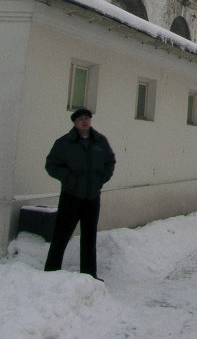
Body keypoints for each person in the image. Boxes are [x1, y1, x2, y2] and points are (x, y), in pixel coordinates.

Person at [44, 108, 116, 279]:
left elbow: (110, 161)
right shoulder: (64, 143)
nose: (84, 121)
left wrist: (101, 179)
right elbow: (52, 165)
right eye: (81, 119)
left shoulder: (100, 141)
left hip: (92, 197)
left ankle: (89, 275)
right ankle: (50, 273)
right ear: (75, 123)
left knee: (89, 237)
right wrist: (68, 178)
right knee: (61, 235)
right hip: (71, 196)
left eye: (87, 118)